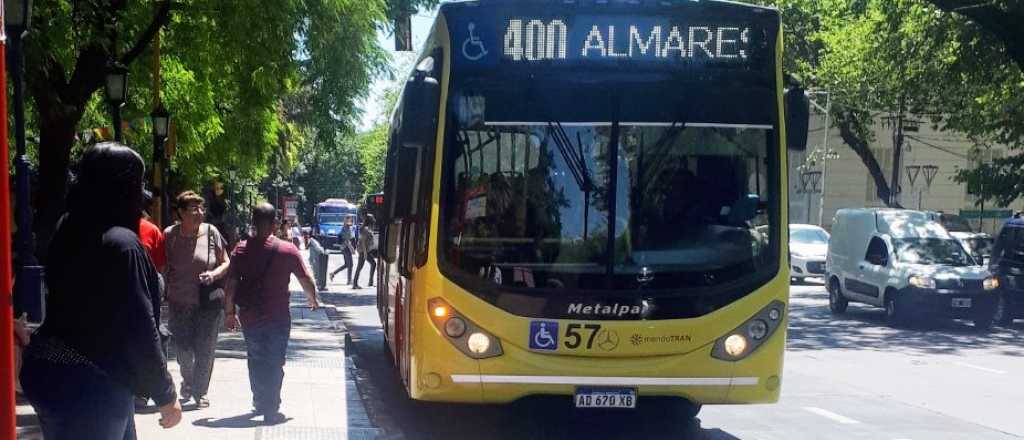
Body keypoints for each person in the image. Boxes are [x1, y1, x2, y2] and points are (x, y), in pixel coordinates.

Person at [20, 143, 181, 439]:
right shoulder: (123, 244)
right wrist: (165, 394)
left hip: (54, 371)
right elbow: (139, 325)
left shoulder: (67, 227)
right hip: (94, 382)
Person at [224, 203, 319, 424]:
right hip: (278, 317)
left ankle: (260, 400)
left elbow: (231, 284)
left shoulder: (240, 250)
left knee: (255, 359)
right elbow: (305, 279)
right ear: (275, 224)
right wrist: (312, 299)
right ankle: (271, 408)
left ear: (253, 223)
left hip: (249, 316)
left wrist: (229, 312)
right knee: (275, 361)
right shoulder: (287, 250)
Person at [164, 190, 231, 409]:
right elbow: (163, 266)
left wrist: (214, 274)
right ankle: (188, 380)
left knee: (206, 350)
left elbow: (226, 261)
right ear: (181, 213)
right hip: (179, 303)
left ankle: (200, 392)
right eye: (194, 209)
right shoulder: (170, 236)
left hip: (207, 302)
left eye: (202, 208)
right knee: (183, 350)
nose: (200, 213)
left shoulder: (211, 232)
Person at [352, 215, 378, 289]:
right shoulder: (365, 229)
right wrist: (365, 253)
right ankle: (355, 284)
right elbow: (363, 241)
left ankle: (369, 282)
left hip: (365, 251)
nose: (374, 220)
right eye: (372, 219)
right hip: (363, 251)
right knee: (361, 266)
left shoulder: (367, 228)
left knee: (372, 264)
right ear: (370, 221)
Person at [329, 217, 355, 284]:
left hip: (344, 248)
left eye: (351, 220)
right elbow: (347, 241)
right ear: (346, 221)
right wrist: (351, 248)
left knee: (347, 264)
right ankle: (349, 280)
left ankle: (333, 273)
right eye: (349, 220)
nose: (351, 222)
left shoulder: (347, 228)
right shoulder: (346, 228)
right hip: (346, 248)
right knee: (350, 264)